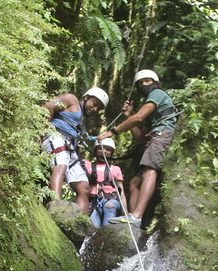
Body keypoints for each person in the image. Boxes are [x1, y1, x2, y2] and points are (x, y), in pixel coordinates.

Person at [97, 69, 176, 227]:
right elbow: (140, 137)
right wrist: (128, 116)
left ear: (155, 82)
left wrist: (112, 132)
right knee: (134, 183)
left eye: (147, 81)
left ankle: (137, 217)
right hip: (155, 137)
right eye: (140, 83)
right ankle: (134, 220)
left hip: (162, 136)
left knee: (149, 171)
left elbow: (139, 117)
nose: (143, 84)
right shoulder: (152, 109)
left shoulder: (157, 94)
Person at [42, 87, 109, 213]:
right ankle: (55, 206)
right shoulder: (71, 99)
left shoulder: (81, 120)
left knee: (83, 187)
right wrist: (42, 132)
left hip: (69, 145)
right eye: (94, 104)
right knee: (61, 166)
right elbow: (48, 106)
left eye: (98, 108)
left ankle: (82, 223)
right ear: (87, 97)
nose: (94, 109)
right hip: (55, 136)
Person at [84, 138, 127, 228]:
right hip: (93, 202)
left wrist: (125, 211)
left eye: (108, 149)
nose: (104, 151)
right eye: (101, 148)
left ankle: (107, 233)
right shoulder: (87, 166)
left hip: (111, 199)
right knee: (94, 229)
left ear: (111, 152)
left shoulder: (115, 169)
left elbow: (121, 191)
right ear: (95, 150)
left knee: (109, 206)